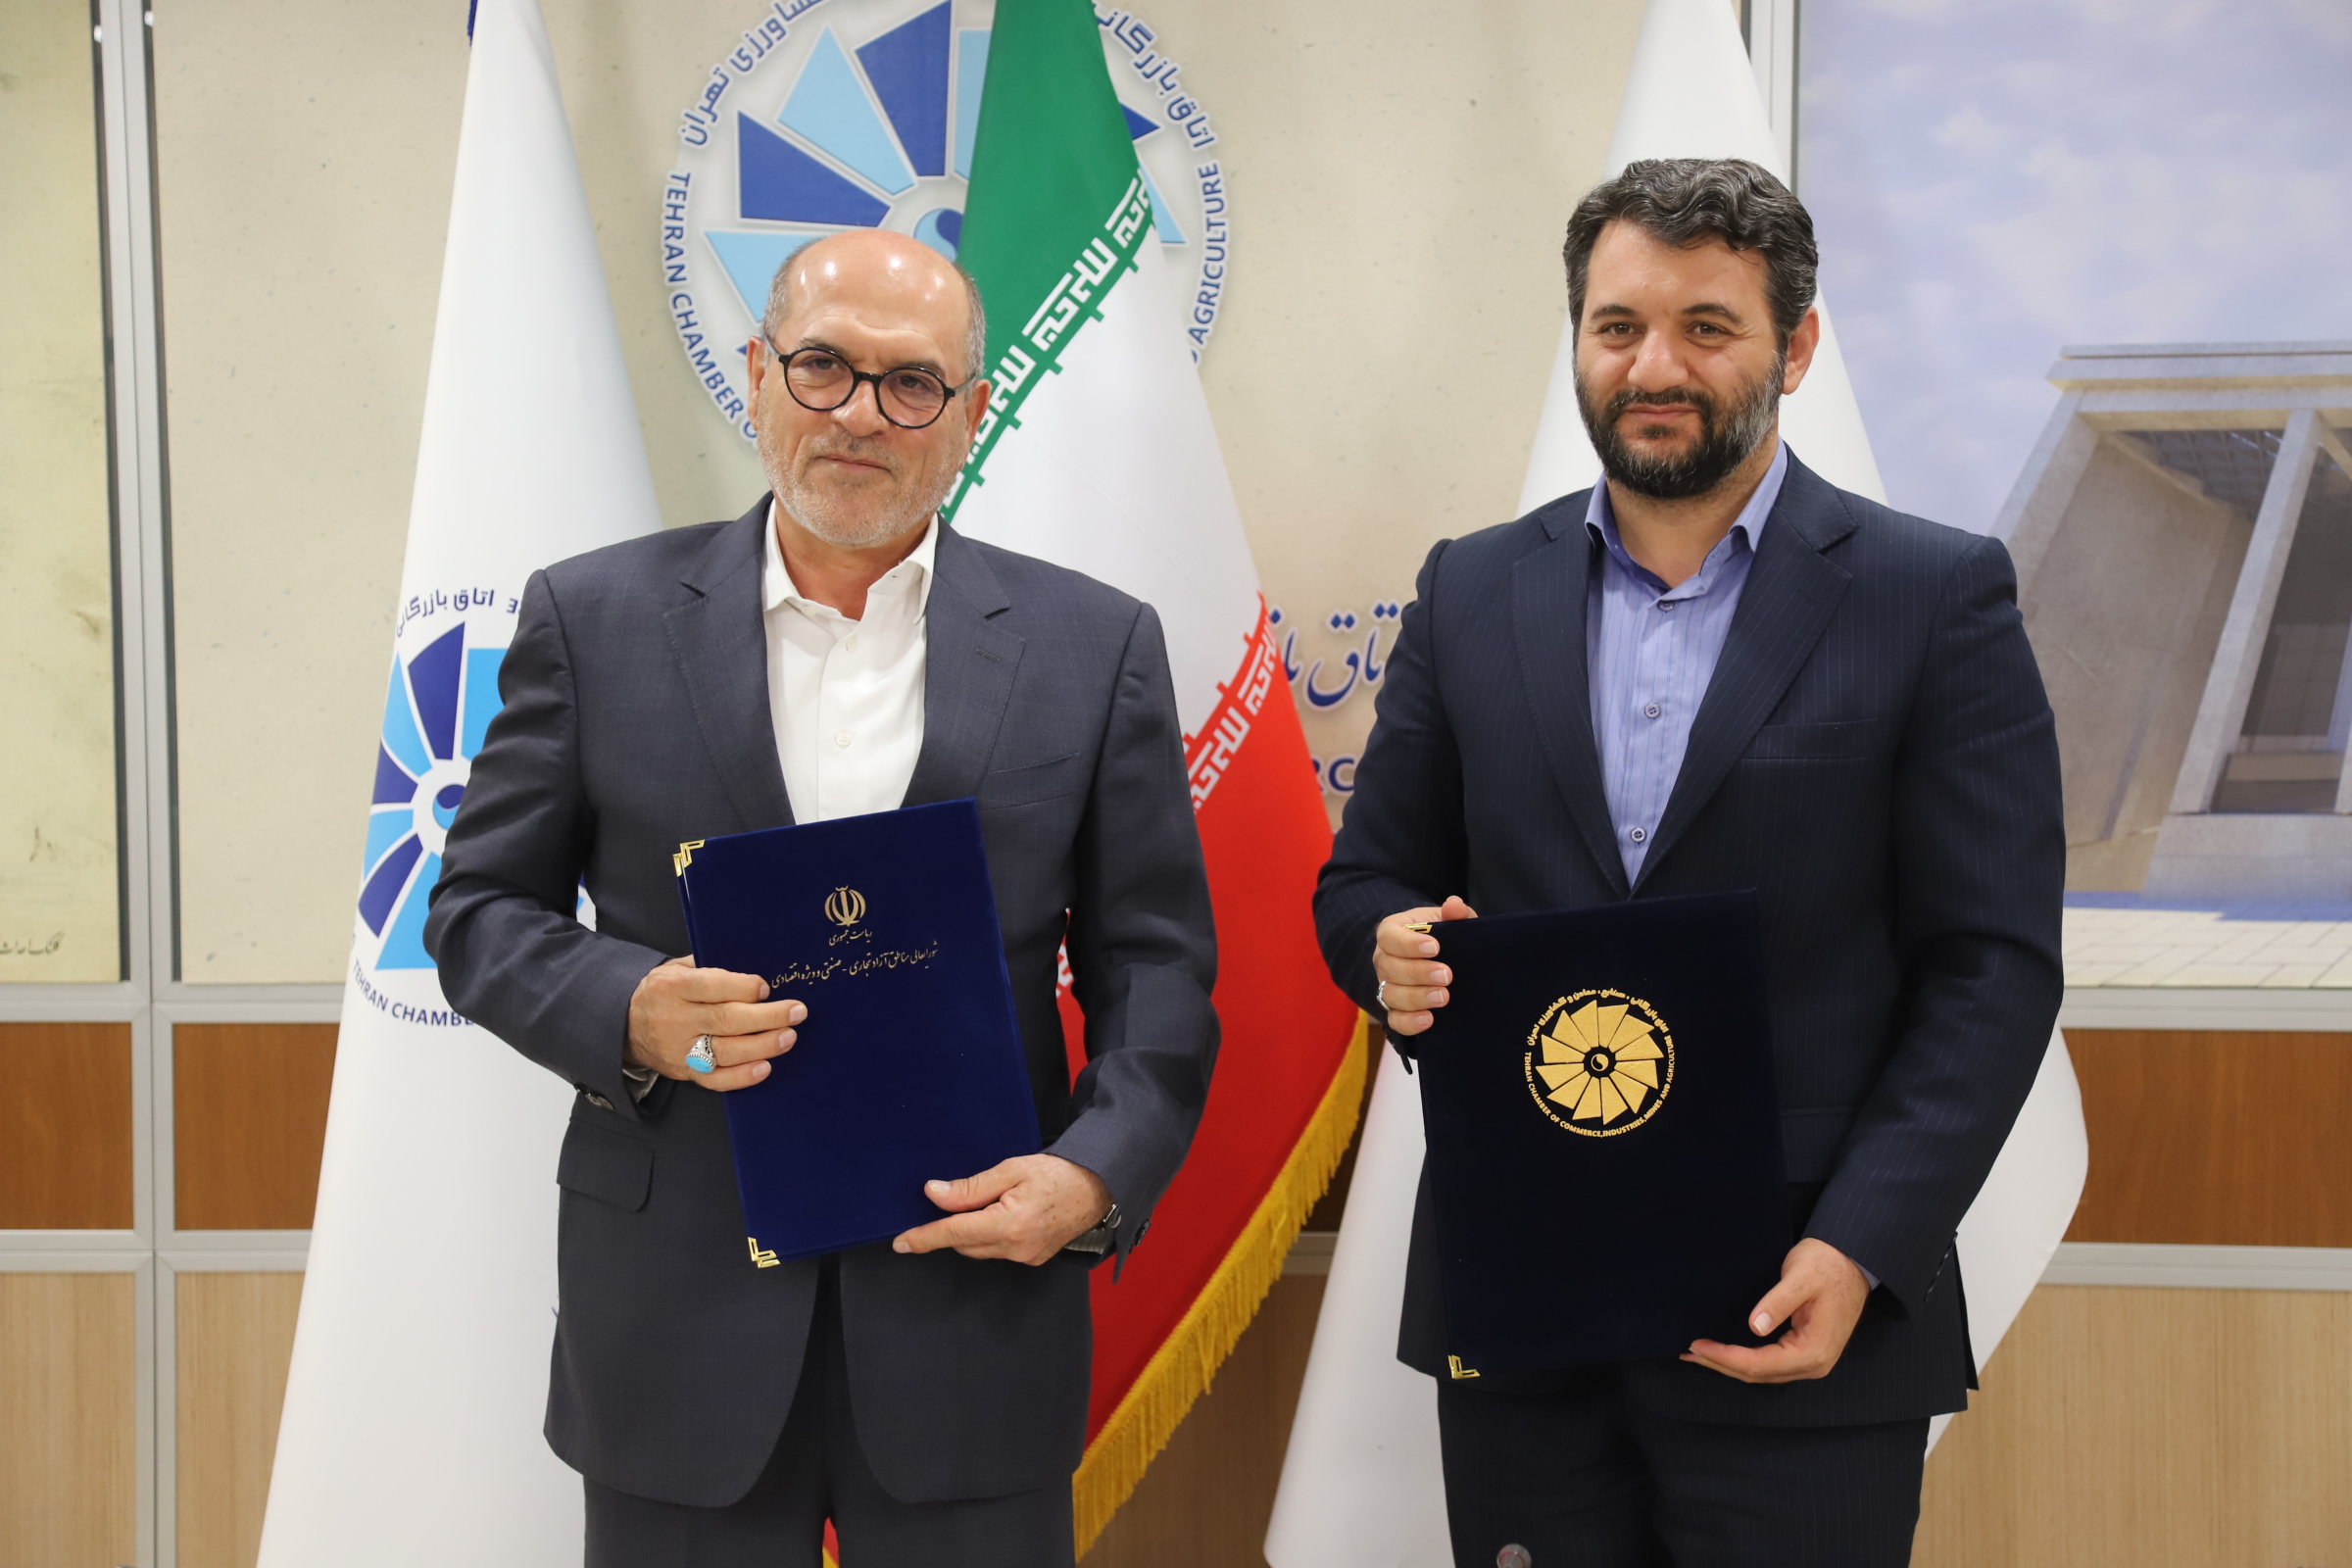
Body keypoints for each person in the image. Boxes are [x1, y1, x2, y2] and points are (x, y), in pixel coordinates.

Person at [426, 228, 1218, 1566]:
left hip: (973, 1305)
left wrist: (1097, 1173)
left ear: (970, 412)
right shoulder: (593, 620)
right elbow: (478, 912)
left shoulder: (1094, 646)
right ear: (757, 374)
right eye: (822, 367)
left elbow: (1156, 961)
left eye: (910, 383)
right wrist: (629, 1007)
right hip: (676, 1315)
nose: (859, 413)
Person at [1313, 158, 2063, 1566]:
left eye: (1707, 327)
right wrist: (1386, 950)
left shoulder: (1932, 593)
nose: (1653, 366)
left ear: (1797, 345)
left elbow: (1993, 966)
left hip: (1800, 1305)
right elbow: (1365, 884)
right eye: (1618, 326)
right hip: (1525, 1297)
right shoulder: (1471, 588)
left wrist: (1863, 1244)